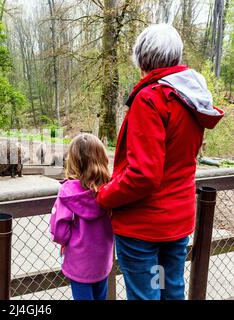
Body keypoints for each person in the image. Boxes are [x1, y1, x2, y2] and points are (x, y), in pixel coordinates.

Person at [96, 24, 224, 300]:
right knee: (169, 290)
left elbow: (143, 174)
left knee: (146, 295)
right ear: (176, 57)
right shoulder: (191, 98)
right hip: (175, 223)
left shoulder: (151, 99)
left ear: (141, 59)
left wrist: (104, 196)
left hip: (144, 227)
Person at [49, 134, 114, 300]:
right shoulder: (109, 189)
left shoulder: (67, 192)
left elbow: (60, 232)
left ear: (73, 161)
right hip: (102, 261)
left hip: (79, 263)